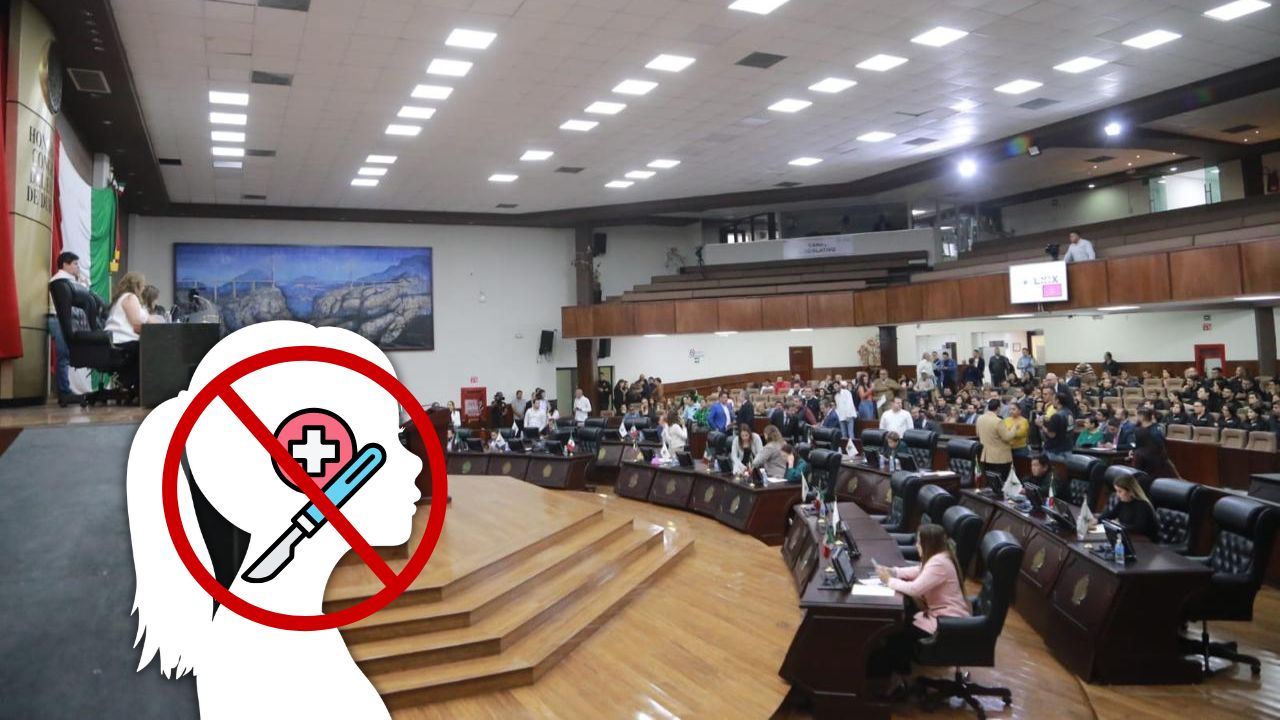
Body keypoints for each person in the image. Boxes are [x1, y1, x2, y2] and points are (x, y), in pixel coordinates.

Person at [876, 524, 971, 683]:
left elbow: (914, 589)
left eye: (919, 542)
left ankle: (898, 678)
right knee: (902, 621)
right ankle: (897, 671)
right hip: (944, 617)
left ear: (928, 544)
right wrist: (893, 571)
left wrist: (889, 581)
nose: (916, 545)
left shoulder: (939, 563)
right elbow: (918, 570)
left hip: (947, 624)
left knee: (897, 631)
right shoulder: (940, 557)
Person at [104, 271, 155, 396]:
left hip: (116, 341)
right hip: (121, 342)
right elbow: (136, 325)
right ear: (137, 285)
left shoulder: (123, 298)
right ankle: (129, 384)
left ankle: (130, 385)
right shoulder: (130, 298)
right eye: (142, 285)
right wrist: (155, 330)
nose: (144, 288)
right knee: (149, 350)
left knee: (147, 348)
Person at [47, 251, 86, 406]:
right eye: (75, 264)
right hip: (58, 319)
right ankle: (64, 392)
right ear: (65, 264)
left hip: (61, 318)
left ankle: (65, 390)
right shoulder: (61, 280)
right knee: (63, 355)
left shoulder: (67, 280)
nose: (78, 267)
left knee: (65, 355)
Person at [1098, 473, 1159, 539]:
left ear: (1130, 491)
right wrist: (1097, 520)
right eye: (1116, 491)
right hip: (1130, 538)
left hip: (1145, 541)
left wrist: (1118, 525)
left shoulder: (1142, 505)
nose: (1117, 494)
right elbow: (1110, 515)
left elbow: (1138, 529)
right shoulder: (1123, 502)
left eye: (1120, 491)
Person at [976, 399, 1016, 485]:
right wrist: (1014, 428)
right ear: (998, 408)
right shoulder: (998, 421)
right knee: (1001, 482)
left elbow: (977, 434)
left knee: (990, 481)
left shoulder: (980, 418)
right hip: (1000, 457)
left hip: (985, 455)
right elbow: (1007, 437)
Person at [1130, 409, 1169, 476]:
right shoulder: (1138, 428)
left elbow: (1160, 448)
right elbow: (1135, 443)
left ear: (1142, 417)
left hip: (1154, 464)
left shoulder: (1155, 431)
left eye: (1136, 416)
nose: (1134, 418)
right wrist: (1133, 450)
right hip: (1141, 459)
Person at [1037, 393, 1073, 462]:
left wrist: (1041, 425)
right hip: (1067, 449)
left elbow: (1051, 435)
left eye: (1053, 399)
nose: (1051, 402)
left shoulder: (1056, 416)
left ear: (1057, 401)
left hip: (1055, 451)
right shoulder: (1069, 412)